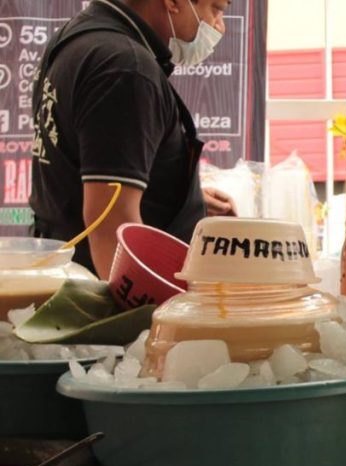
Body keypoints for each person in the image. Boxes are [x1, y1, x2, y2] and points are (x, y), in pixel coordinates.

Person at [30, 0, 236, 278]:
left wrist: (182, 199)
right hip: (104, 304)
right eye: (216, 9)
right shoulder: (125, 67)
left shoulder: (79, 39)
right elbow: (112, 225)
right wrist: (146, 319)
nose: (219, 26)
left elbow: (90, 166)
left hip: (68, 280)